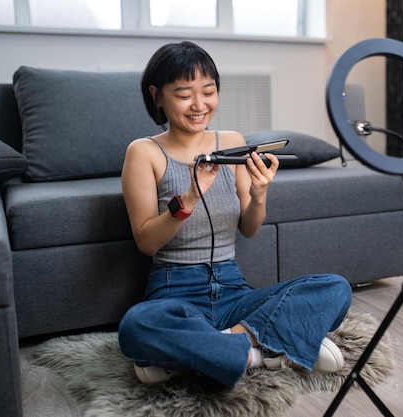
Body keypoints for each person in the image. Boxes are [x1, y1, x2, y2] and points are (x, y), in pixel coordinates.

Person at [118, 41, 353, 389]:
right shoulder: (144, 152)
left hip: (233, 291)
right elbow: (146, 242)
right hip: (175, 292)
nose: (199, 105)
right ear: (157, 96)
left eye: (208, 91)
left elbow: (250, 228)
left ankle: (207, 353)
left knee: (336, 289)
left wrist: (259, 195)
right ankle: (264, 349)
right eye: (184, 94)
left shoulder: (231, 142)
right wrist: (189, 198)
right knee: (137, 325)